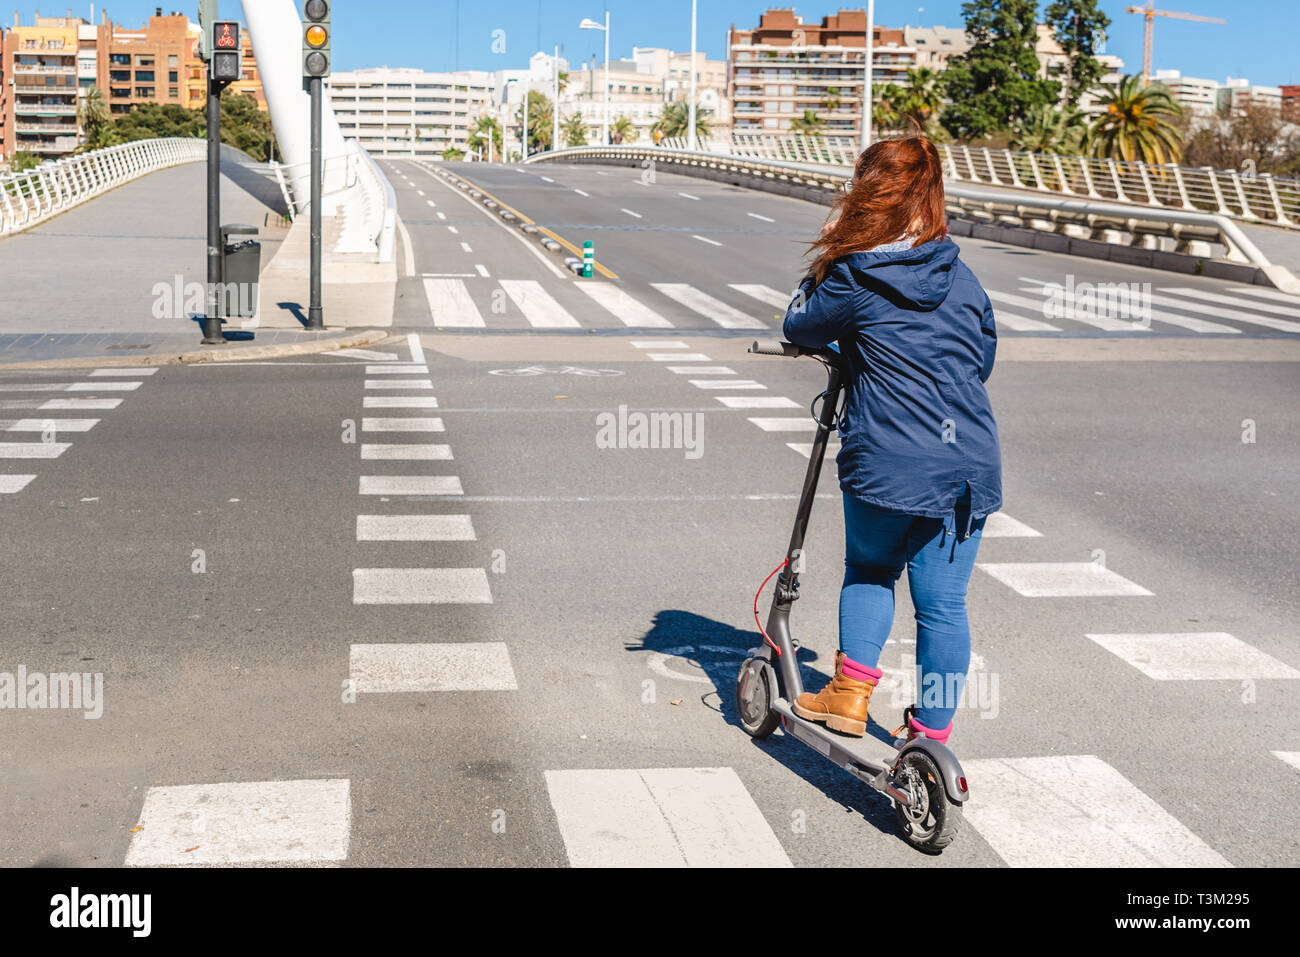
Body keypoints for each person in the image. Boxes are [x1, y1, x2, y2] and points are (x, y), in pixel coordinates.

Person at [781, 136, 1002, 746]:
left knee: (872, 570)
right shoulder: (961, 276)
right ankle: (931, 736)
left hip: (888, 458)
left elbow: (799, 325)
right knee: (944, 608)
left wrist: (823, 266)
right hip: (968, 465)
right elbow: (981, 359)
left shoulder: (855, 272)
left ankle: (849, 697)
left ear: (866, 191)